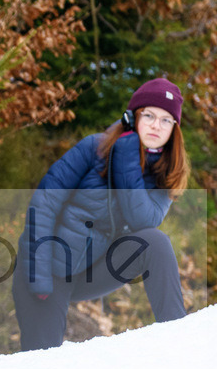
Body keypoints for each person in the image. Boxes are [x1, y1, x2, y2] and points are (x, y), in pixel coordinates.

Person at [13, 78, 191, 351]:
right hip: (50, 267)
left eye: (166, 120)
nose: (156, 125)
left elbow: (143, 222)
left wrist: (128, 156)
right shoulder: (94, 147)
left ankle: (178, 341)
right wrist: (39, 275)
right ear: (132, 117)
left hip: (94, 270)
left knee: (155, 243)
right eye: (150, 115)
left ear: (174, 130)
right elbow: (45, 203)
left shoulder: (167, 174)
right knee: (41, 363)